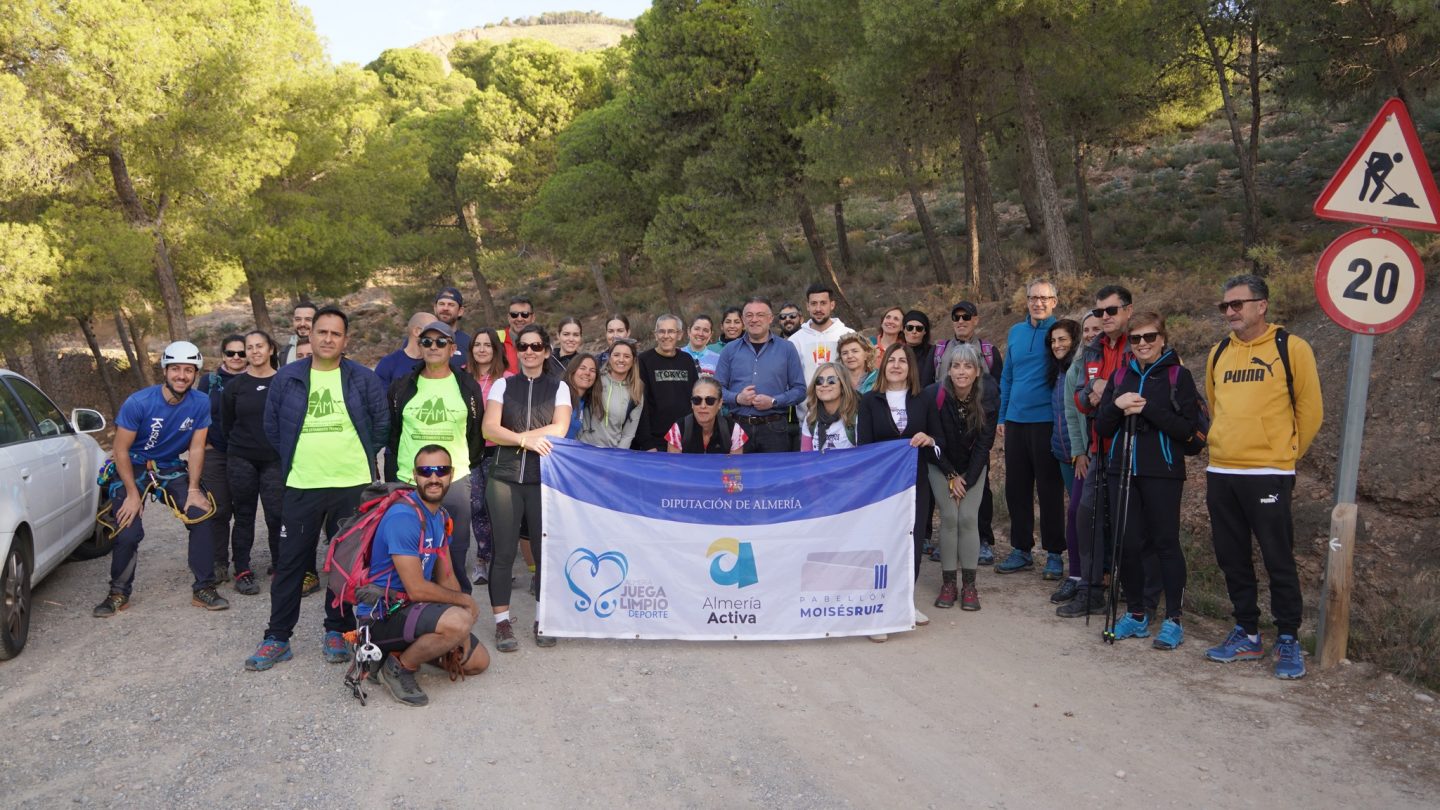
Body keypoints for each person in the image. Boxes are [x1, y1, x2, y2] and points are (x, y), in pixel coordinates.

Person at [246, 306, 390, 671]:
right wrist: (298, 460)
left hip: (351, 484)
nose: (327, 338)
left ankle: (337, 629)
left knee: (344, 564)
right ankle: (277, 637)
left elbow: (381, 423)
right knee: (291, 561)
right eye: (321, 332)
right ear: (309, 335)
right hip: (302, 483)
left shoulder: (361, 378)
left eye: (335, 333)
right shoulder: (288, 378)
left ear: (346, 340)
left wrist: (358, 457)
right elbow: (273, 426)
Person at [1203, 274, 1322, 680]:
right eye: (1225, 306)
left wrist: (1284, 455)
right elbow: (1215, 406)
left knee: (1277, 558)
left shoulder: (1292, 348)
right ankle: (1247, 632)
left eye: (1237, 304)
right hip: (1221, 470)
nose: (1230, 312)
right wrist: (1225, 444)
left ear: (1262, 305)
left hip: (1269, 472)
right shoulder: (1219, 352)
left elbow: (1311, 410)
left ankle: (1287, 637)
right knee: (1231, 556)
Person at [93, 340, 228, 617]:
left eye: (188, 370)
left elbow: (197, 447)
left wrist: (193, 489)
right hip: (133, 465)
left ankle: (204, 588)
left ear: (195, 373)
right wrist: (132, 494)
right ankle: (118, 592)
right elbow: (120, 449)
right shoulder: (139, 402)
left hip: (169, 466)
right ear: (165, 370)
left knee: (201, 514)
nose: (182, 375)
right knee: (127, 528)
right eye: (175, 368)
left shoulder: (201, 402)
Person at [1094, 312, 1203, 652]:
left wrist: (1146, 409)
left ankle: (1173, 619)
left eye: (1150, 337)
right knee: (1127, 544)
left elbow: (1188, 431)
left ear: (1163, 338)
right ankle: (1138, 613)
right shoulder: (1121, 374)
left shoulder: (1177, 376)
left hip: (1162, 471)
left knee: (1165, 543)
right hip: (1121, 469)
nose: (1143, 343)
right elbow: (1102, 427)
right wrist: (1117, 404)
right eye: (1137, 338)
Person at [362, 445, 490, 707]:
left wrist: (461, 631)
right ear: (415, 476)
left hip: (412, 608)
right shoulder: (403, 517)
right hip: (382, 613)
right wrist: (463, 609)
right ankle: (398, 666)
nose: (434, 478)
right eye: (426, 471)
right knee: (456, 620)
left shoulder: (440, 516)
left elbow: (446, 579)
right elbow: (417, 589)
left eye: (441, 471)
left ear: (451, 474)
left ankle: (401, 651)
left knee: (478, 662)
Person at [483, 323, 572, 651]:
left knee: (543, 552)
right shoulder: (502, 386)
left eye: (536, 347)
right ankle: (502, 622)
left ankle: (543, 618)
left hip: (543, 480)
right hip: (504, 477)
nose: (530, 352)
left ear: (547, 351)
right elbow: (489, 429)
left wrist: (517, 437)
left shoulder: (558, 388)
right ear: (517, 351)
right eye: (524, 347)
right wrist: (525, 439)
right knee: (504, 552)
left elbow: (560, 429)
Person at [384, 320, 485, 596]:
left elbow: (475, 431)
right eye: (427, 341)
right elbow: (393, 432)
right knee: (410, 552)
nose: (433, 347)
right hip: (409, 482)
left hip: (454, 480)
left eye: (441, 341)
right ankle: (412, 618)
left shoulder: (467, 386)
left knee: (454, 552)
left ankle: (459, 615)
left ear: (453, 348)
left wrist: (461, 466)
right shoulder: (402, 386)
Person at [856, 343, 944, 635]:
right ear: (883, 366)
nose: (896, 365)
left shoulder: (924, 400)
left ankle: (905, 601)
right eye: (891, 360)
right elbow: (864, 448)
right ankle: (877, 608)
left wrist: (929, 439)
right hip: (881, 487)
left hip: (915, 483)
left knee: (912, 541)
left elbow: (939, 444)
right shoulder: (869, 401)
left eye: (902, 361)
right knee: (882, 544)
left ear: (911, 368)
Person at [1059, 284, 1135, 617]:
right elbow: (1078, 398)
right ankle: (1090, 589)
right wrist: (1094, 389)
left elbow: (1148, 387)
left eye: (1111, 311)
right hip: (1098, 446)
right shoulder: (1092, 350)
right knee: (1086, 516)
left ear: (1127, 310)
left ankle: (1137, 595)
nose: (1105, 317)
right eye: (1100, 311)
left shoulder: (1141, 343)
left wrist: (1111, 389)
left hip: (1133, 448)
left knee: (1130, 524)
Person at [996, 280, 1065, 579]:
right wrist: (1002, 415)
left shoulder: (1060, 333)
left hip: (1047, 420)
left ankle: (1053, 554)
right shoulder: (1015, 332)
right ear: (1026, 301)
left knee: (1049, 489)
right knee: (1017, 488)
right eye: (1033, 298)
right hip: (1015, 421)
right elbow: (1007, 377)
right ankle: (1021, 549)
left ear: (1054, 301)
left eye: (1044, 298)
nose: (1038, 303)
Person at [927, 343, 999, 612]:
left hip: (973, 467)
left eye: (968, 366)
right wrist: (950, 475)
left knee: (968, 518)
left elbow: (984, 444)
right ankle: (948, 583)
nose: (961, 371)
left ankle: (969, 585)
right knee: (949, 517)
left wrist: (965, 478)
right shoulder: (934, 395)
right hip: (939, 463)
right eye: (956, 365)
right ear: (948, 369)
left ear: (977, 371)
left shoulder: (988, 398)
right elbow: (933, 441)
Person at [934, 301, 1003, 564]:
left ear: (976, 320)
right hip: (947, 425)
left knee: (980, 485)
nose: (961, 321)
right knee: (945, 482)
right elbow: (933, 384)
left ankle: (983, 539)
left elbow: (997, 386)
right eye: (956, 317)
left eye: (966, 317)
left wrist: (998, 417)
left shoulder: (987, 351)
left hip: (978, 425)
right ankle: (948, 539)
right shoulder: (941, 351)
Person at [221, 330, 283, 596]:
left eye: (260, 346)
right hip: (242, 459)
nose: (255, 351)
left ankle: (280, 566)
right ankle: (243, 570)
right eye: (250, 347)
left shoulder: (284, 381)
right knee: (244, 515)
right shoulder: (235, 386)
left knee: (276, 515)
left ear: (271, 349)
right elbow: (226, 424)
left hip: (275, 460)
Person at [1052, 312, 1102, 606]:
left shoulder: (1120, 358)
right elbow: (1072, 413)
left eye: (1096, 329)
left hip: (1118, 452)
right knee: (1077, 515)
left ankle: (1105, 576)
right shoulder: (1076, 368)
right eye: (1087, 329)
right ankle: (1077, 576)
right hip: (1087, 453)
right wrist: (1079, 451)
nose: (1091, 334)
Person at [713, 297, 806, 453]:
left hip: (775, 429)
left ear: (770, 318)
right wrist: (737, 398)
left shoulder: (787, 349)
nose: (754, 320)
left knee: (775, 477)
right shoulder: (730, 350)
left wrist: (774, 401)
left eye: (760, 315)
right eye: (749, 315)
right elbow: (716, 389)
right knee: (736, 475)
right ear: (743, 319)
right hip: (737, 428)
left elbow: (800, 390)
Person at [198, 334, 246, 587]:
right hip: (216, 452)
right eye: (231, 353)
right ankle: (219, 562)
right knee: (220, 509)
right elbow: (199, 412)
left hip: (247, 453)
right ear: (223, 355)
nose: (236, 357)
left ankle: (243, 563)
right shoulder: (209, 381)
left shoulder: (258, 378)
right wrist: (203, 445)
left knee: (244, 510)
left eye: (241, 352)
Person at [466, 328, 511, 586]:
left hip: (500, 450)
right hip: (471, 450)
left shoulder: (507, 379)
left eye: (487, 345)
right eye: (477, 344)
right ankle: (482, 559)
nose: (482, 349)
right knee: (477, 506)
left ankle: (501, 563)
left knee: (499, 508)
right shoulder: (461, 377)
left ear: (496, 349)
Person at [635, 315, 698, 451]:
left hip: (686, 437)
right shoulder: (644, 361)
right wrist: (647, 443)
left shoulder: (687, 360)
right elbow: (640, 404)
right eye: (661, 331)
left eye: (671, 331)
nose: (666, 336)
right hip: (657, 441)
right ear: (655, 335)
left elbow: (696, 399)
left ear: (679, 335)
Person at [581, 338, 643, 449]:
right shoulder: (595, 380)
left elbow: (628, 434)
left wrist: (617, 457)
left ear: (633, 361)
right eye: (616, 355)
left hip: (611, 453)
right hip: (583, 449)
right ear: (609, 358)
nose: (621, 359)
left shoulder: (636, 390)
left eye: (627, 356)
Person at [666, 376, 746, 454]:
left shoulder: (734, 431)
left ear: (720, 403)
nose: (703, 406)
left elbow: (734, 466)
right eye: (697, 400)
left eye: (710, 400)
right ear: (692, 404)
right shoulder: (677, 430)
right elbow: (674, 466)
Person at [799, 362, 858, 452]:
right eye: (819, 381)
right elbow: (805, 459)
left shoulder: (856, 415)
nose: (824, 384)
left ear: (843, 386)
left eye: (831, 380)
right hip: (818, 465)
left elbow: (864, 456)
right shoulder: (811, 417)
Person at [374, 312, 433, 392]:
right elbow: (380, 398)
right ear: (417, 331)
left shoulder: (436, 363)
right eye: (432, 330)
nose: (437, 335)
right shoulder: (388, 363)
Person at [563, 353, 601, 440]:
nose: (587, 373)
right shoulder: (561, 396)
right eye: (582, 368)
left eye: (592, 370)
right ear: (572, 371)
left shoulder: (586, 402)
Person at [431, 286, 472, 365]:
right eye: (441, 304)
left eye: (451, 305)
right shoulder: (423, 340)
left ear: (460, 311)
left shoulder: (469, 343)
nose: (445, 308)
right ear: (435, 308)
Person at [496, 296, 535, 371]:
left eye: (525, 314)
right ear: (508, 317)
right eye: (514, 314)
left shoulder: (541, 342)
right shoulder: (493, 338)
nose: (519, 319)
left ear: (533, 317)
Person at [901, 310, 936, 389]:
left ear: (925, 332)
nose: (914, 331)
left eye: (919, 328)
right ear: (904, 330)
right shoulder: (896, 352)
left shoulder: (934, 353)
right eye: (909, 328)